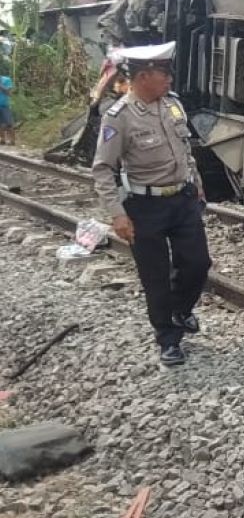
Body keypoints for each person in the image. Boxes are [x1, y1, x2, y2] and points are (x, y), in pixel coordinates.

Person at [91, 42, 211, 365]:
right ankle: (168, 339)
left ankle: (181, 309)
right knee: (155, 277)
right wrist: (117, 214)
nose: (169, 81)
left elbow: (186, 150)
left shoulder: (172, 105)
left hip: (183, 199)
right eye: (164, 75)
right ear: (143, 77)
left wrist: (196, 184)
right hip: (146, 206)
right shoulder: (119, 117)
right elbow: (103, 169)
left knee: (198, 263)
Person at [0, 74, 14, 145]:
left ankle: (12, 140)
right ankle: (2, 139)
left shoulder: (6, 80)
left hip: (4, 105)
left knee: (9, 124)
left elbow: (9, 93)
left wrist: (1, 86)